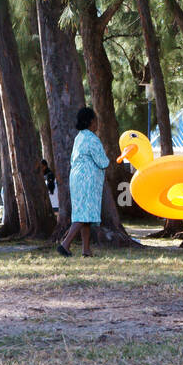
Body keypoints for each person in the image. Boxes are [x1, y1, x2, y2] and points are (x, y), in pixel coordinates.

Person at [57, 107, 110, 258]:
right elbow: (103, 162)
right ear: (91, 122)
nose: (98, 124)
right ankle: (65, 244)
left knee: (83, 214)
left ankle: (86, 250)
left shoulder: (79, 137)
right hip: (87, 180)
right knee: (83, 216)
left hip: (76, 178)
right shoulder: (92, 139)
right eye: (96, 121)